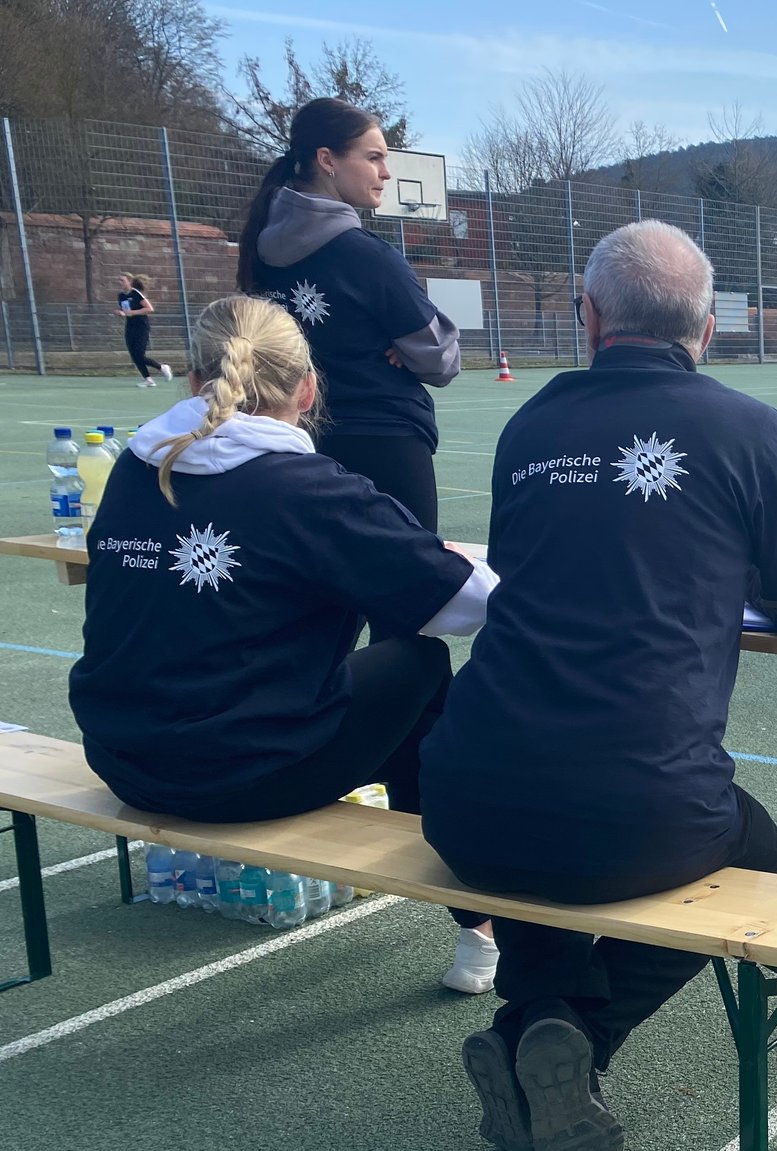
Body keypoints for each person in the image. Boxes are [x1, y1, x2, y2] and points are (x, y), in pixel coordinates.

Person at [419, 220, 777, 1151]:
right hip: (641, 807)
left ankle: (535, 1018)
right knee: (754, 843)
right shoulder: (744, 426)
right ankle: (581, 1035)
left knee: (547, 814)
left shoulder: (530, 422)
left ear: (589, 316)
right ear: (705, 330)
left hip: (463, 798)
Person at [67, 294, 499, 983]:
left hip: (121, 755)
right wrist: (431, 554)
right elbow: (470, 603)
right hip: (243, 776)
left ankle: (478, 923)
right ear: (308, 387)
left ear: (191, 381)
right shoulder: (306, 488)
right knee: (420, 665)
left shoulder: (132, 466)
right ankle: (479, 920)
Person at [237, 97, 460, 581]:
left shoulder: (258, 250)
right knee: (408, 602)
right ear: (327, 160)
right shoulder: (366, 257)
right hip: (386, 441)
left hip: (299, 441)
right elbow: (441, 360)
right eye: (374, 157)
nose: (386, 172)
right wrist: (402, 348)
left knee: (321, 602)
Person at [116, 274, 174, 388]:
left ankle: (162, 367)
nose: (120, 283)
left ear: (130, 282)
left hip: (141, 327)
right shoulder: (121, 296)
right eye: (119, 281)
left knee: (140, 355)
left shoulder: (136, 294)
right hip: (130, 326)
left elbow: (149, 308)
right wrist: (121, 313)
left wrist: (132, 313)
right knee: (134, 355)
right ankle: (148, 379)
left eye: (122, 280)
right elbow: (126, 311)